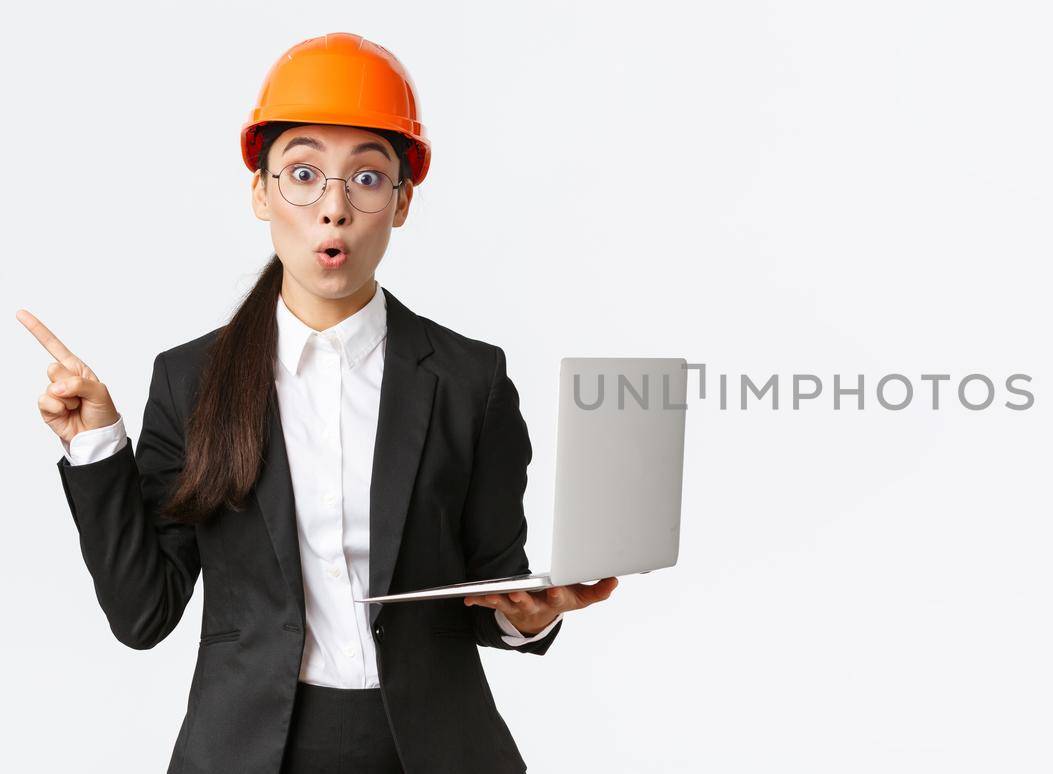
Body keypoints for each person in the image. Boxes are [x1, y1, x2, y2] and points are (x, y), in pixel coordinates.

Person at [16, 32, 617, 773]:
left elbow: (493, 582)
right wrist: (96, 444)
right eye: (303, 173)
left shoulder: (471, 381)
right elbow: (145, 615)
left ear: (401, 203)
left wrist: (529, 618)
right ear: (261, 190)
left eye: (367, 179)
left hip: (432, 751)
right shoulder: (191, 382)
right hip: (250, 751)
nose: (333, 208)